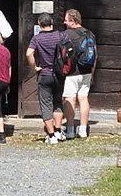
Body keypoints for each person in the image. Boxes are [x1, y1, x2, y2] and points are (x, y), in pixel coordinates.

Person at [26, 13, 66, 141]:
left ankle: (51, 135)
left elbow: (28, 53)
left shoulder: (37, 38)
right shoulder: (60, 35)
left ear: (39, 24)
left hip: (44, 74)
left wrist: (34, 67)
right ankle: (59, 130)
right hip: (59, 74)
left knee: (46, 105)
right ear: (51, 22)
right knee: (58, 102)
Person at [59, 8, 96, 139]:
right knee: (83, 98)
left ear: (73, 21)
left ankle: (70, 130)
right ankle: (83, 129)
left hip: (71, 73)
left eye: (66, 19)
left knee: (70, 99)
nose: (64, 22)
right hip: (86, 71)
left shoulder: (66, 35)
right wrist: (92, 73)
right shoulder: (89, 34)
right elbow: (95, 55)